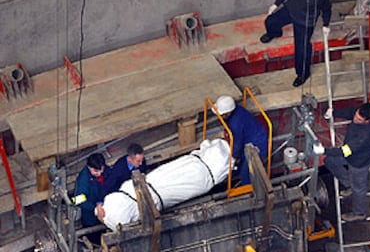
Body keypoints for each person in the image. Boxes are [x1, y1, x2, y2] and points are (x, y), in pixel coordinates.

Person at [99, 138, 231, 231]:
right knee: (182, 181)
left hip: (151, 184)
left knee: (176, 172)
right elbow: (106, 189)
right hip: (148, 194)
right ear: (130, 159)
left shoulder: (139, 165)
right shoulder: (118, 171)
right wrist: (99, 205)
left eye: (141, 160)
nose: (141, 163)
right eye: (138, 161)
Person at [260, 0, 332, 87]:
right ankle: (274, 33)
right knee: (270, 21)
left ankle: (303, 74)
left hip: (305, 21)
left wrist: (326, 24)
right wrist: (276, 4)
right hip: (291, 10)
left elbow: (326, 9)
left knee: (302, 49)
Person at [313, 102, 370, 222]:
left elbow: (345, 151)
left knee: (359, 189)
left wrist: (324, 150)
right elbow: (350, 112)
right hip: (350, 155)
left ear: (367, 121)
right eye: (356, 115)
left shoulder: (365, 136)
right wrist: (334, 113)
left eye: (358, 119)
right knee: (330, 161)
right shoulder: (360, 112)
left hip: (359, 163)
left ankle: (359, 213)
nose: (355, 119)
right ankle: (349, 184)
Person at [213, 95, 268, 185]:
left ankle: (248, 190)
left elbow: (237, 143)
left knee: (245, 173)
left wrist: (235, 156)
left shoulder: (235, 124)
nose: (220, 117)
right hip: (250, 137)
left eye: (222, 115)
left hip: (257, 145)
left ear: (228, 113)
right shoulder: (236, 110)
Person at [72, 153, 108, 229]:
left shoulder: (105, 170)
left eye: (101, 170)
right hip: (91, 219)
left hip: (106, 210)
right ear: (89, 167)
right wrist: (95, 209)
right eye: (96, 171)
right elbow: (78, 200)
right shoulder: (83, 180)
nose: (99, 173)